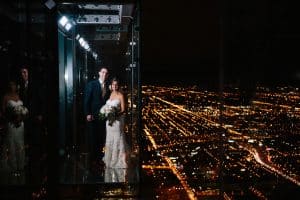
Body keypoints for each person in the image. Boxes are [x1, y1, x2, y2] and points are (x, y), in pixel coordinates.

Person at [84, 66, 110, 165]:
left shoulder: (108, 86)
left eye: (106, 73)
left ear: (107, 75)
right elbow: (87, 100)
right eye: (103, 72)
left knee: (100, 138)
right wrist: (87, 113)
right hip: (92, 116)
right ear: (99, 73)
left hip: (103, 116)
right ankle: (92, 160)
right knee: (92, 138)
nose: (104, 74)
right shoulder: (92, 84)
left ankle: (99, 159)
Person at [1, 81, 27, 175]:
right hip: (11, 124)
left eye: (14, 85)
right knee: (11, 143)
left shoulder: (19, 96)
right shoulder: (5, 97)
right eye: (11, 85)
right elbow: (3, 112)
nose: (13, 86)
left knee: (20, 142)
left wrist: (22, 117)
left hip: (20, 124)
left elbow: (23, 109)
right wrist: (11, 118)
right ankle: (13, 166)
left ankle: (20, 165)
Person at [102, 77, 128, 169]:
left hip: (116, 121)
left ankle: (116, 161)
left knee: (117, 139)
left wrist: (116, 114)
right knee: (109, 139)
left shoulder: (120, 95)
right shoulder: (109, 94)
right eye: (113, 84)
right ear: (111, 85)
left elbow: (123, 109)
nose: (115, 86)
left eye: (116, 84)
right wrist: (106, 112)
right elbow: (106, 106)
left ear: (118, 86)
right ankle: (108, 160)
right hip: (109, 122)